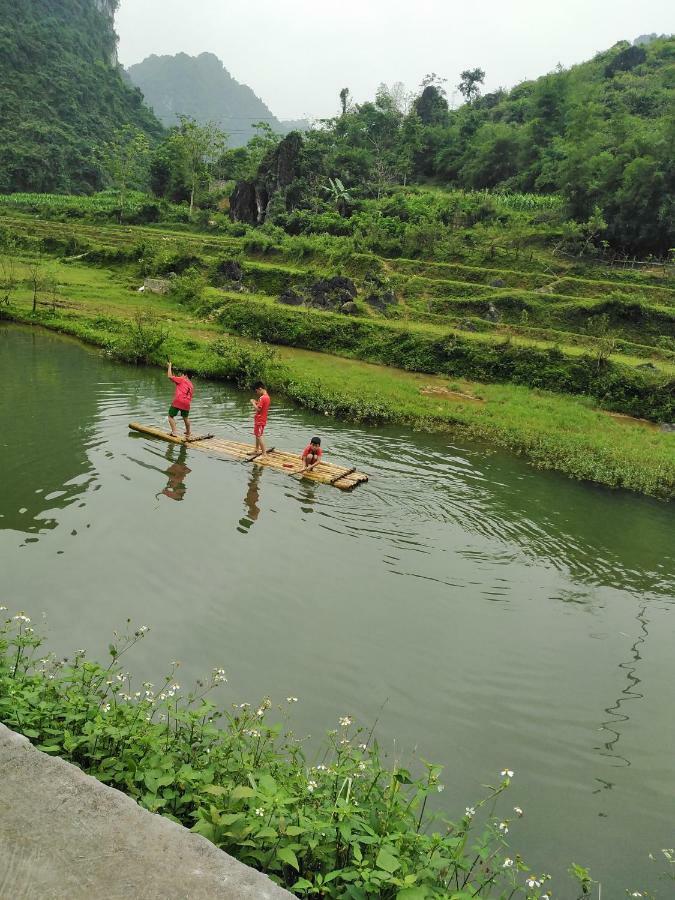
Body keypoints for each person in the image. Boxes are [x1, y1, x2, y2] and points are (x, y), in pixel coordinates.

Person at [167, 360, 193, 440]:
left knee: (170, 416)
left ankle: (174, 432)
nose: (181, 376)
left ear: (185, 375)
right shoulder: (191, 385)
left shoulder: (182, 379)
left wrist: (169, 366)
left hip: (178, 401)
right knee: (185, 418)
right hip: (187, 403)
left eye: (182, 375)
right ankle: (188, 432)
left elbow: (170, 376)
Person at [250, 381, 270, 455]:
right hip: (260, 419)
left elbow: (258, 409)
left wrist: (252, 403)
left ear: (260, 389)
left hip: (260, 420)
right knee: (257, 434)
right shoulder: (267, 396)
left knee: (259, 435)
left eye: (257, 391)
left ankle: (264, 454)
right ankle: (256, 450)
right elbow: (261, 406)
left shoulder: (262, 398)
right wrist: (256, 402)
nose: (257, 393)